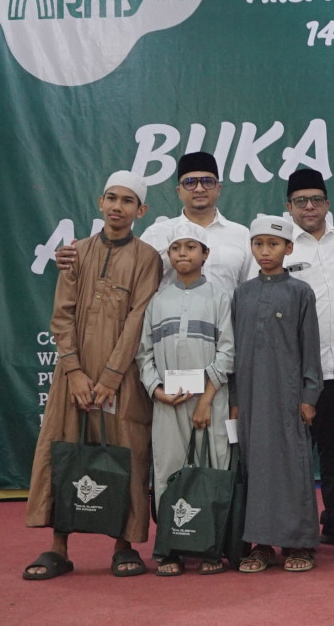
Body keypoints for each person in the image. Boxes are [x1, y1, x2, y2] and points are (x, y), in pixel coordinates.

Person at [22, 171, 162, 580]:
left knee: (128, 454)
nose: (118, 207)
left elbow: (138, 318)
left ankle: (125, 546)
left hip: (123, 379)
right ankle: (58, 548)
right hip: (75, 377)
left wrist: (111, 378)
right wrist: (77, 374)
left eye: (128, 201)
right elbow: (61, 315)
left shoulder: (147, 257)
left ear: (141, 210)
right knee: (63, 450)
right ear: (100, 202)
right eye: (112, 199)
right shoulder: (77, 253)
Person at [136, 221, 234, 576]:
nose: (182, 255)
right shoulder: (158, 301)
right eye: (176, 249)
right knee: (168, 471)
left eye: (190, 248)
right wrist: (157, 391)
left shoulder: (221, 298)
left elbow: (228, 352)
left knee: (213, 469)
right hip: (168, 403)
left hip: (210, 402)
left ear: (205, 254)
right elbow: (143, 355)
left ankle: (211, 547)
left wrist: (206, 400)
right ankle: (171, 548)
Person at [281, 167, 334, 550]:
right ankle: (295, 527)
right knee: (296, 453)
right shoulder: (280, 245)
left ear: (328, 204)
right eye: (301, 201)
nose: (309, 206)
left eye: (316, 199)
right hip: (298, 372)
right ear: (289, 207)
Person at [233, 214, 323, 573]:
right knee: (255, 468)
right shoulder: (242, 293)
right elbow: (236, 351)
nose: (265, 251)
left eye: (273, 244)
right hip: (251, 397)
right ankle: (261, 544)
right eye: (258, 244)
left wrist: (309, 396)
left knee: (291, 466)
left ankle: (299, 543)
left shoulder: (300, 292)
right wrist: (236, 400)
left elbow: (311, 348)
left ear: (288, 248)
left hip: (288, 396)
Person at [55, 153, 252, 294]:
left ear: (218, 189)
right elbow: (122, 275)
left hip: (227, 340)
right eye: (190, 182)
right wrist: (78, 260)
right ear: (178, 191)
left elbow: (249, 292)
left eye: (207, 182)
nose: (199, 188)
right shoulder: (156, 234)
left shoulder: (241, 235)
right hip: (167, 339)